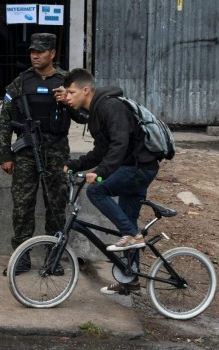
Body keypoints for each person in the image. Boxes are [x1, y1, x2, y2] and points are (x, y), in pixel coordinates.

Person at [62, 68, 160, 294]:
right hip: (134, 167)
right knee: (127, 223)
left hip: (139, 168)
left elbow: (119, 144)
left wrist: (100, 173)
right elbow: (102, 150)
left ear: (85, 90)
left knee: (96, 191)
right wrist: (77, 164)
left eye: (71, 92)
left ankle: (133, 237)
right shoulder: (96, 111)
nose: (67, 97)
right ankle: (130, 279)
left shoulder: (109, 106)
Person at [0, 33, 86, 276]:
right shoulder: (20, 82)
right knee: (22, 205)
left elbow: (85, 116)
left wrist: (68, 101)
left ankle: (53, 258)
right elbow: (5, 120)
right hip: (26, 151)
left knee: (56, 206)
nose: (35, 55)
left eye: (41, 51)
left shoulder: (66, 81)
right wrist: (5, 154)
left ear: (52, 54)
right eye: (32, 51)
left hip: (56, 151)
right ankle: (22, 258)